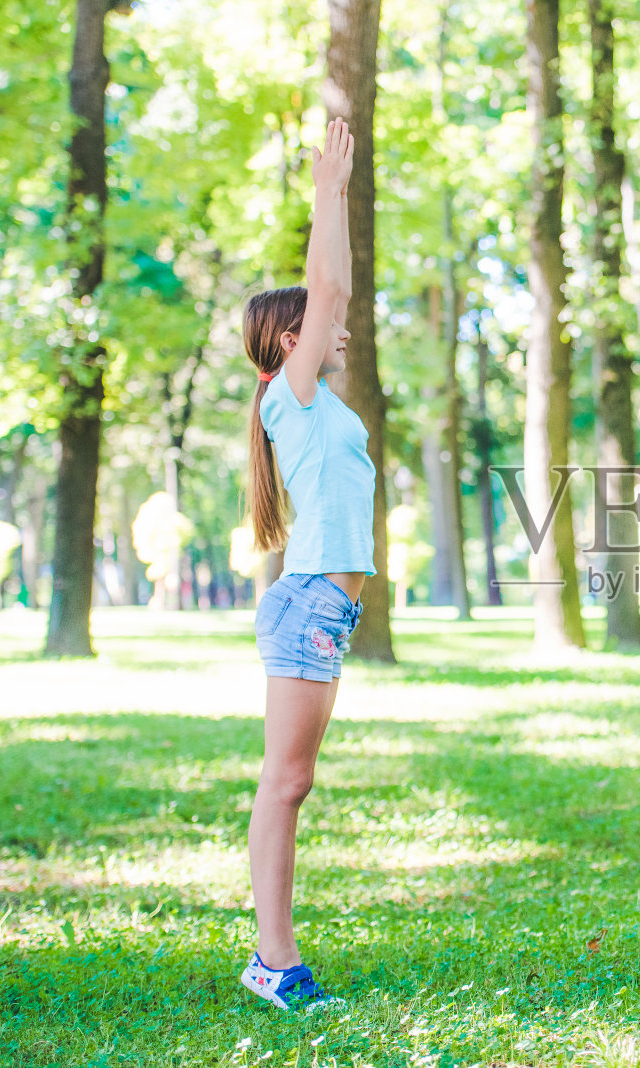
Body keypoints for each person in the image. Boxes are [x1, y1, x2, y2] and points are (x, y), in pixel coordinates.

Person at [238, 118, 374, 1011]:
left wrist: (341, 201)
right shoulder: (288, 401)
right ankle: (273, 962)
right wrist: (325, 191)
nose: (341, 326)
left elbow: (337, 285)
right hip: (309, 606)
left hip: (327, 611)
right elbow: (325, 285)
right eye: (323, 326)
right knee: (284, 783)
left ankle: (276, 957)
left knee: (297, 781)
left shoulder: (314, 402)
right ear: (292, 342)